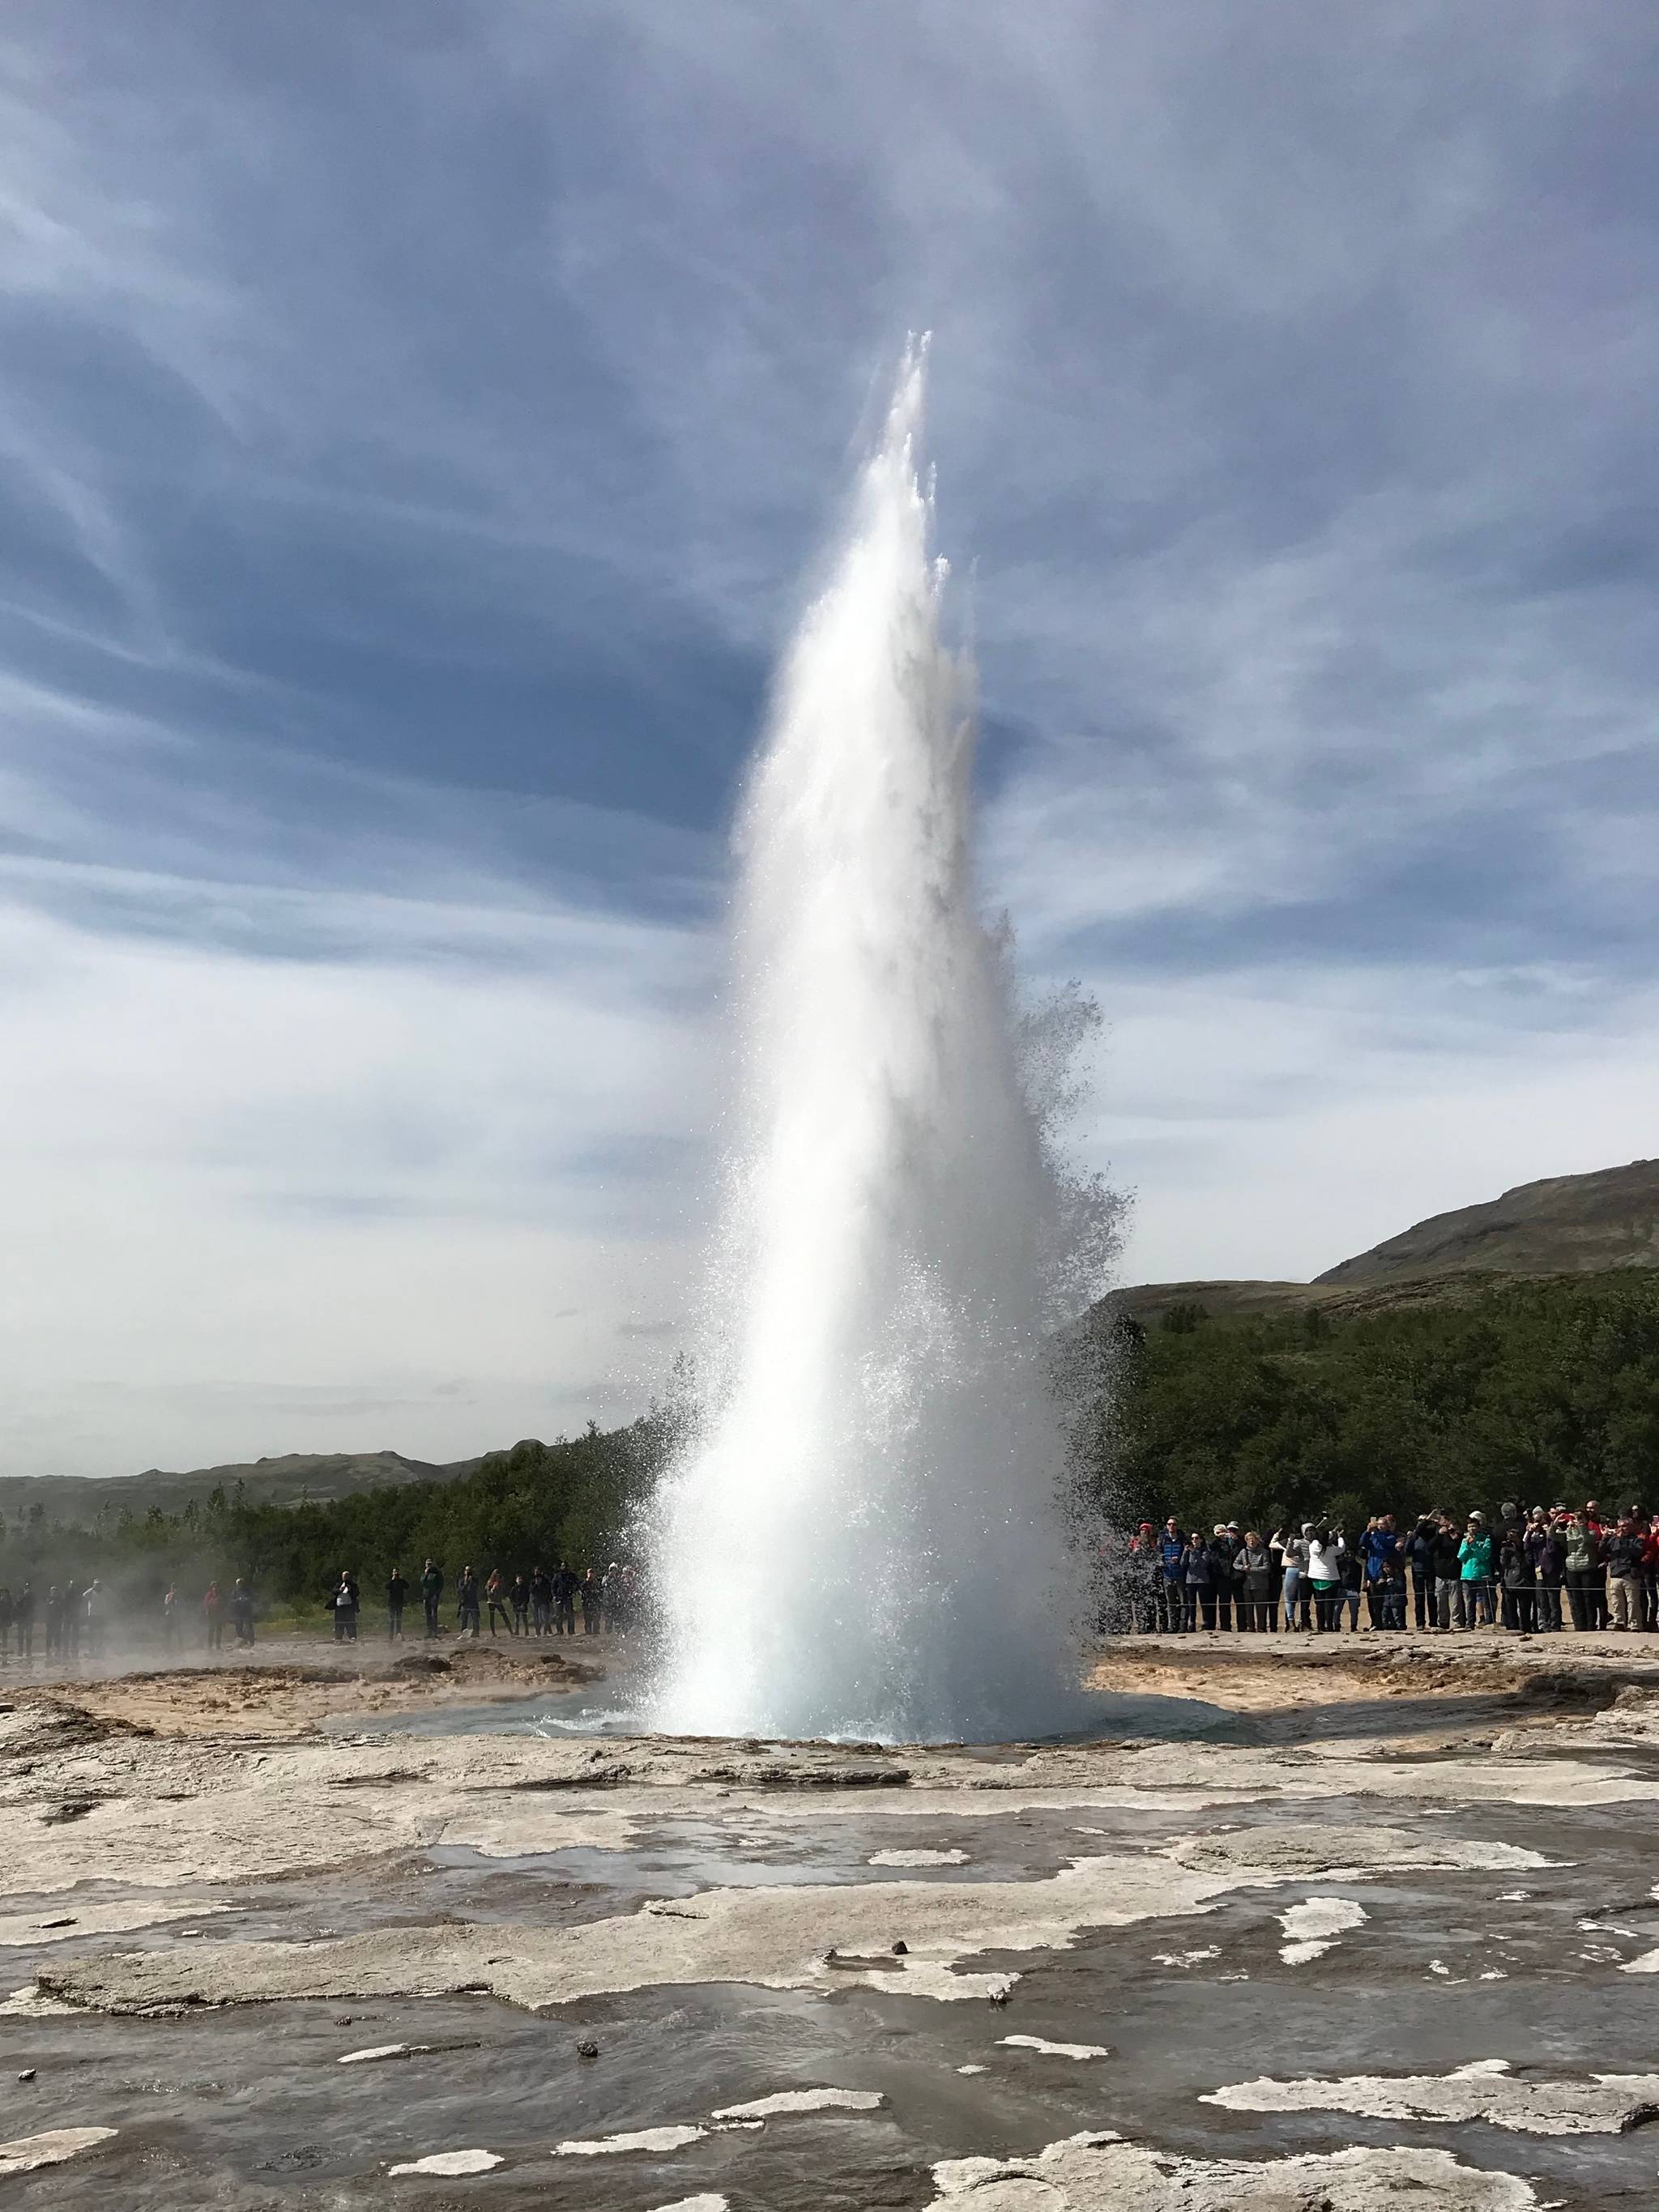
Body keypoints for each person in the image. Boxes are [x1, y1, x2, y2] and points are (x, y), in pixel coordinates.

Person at [1605, 1515, 1646, 1633]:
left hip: (1629, 1574)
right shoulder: (1613, 1540)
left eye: (1625, 1526)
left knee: (1632, 1602)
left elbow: (1637, 1552)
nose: (1622, 1529)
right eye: (1620, 1526)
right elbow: (1603, 1550)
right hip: (1615, 1574)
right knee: (1616, 1602)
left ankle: (1635, 1624)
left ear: (1631, 1527)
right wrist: (1605, 1537)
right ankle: (1619, 1622)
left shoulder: (1636, 1540)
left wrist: (1623, 1540)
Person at [1563, 1512, 1601, 1632]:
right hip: (1572, 1569)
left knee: (1588, 1598)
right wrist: (1556, 1523)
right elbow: (1553, 1535)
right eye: (1575, 1517)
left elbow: (1587, 1538)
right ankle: (1580, 1626)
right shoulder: (1569, 1532)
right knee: (1576, 1599)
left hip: (1587, 1568)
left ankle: (1590, 1626)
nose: (1577, 1520)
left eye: (1580, 1518)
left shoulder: (1592, 1531)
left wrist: (1581, 1525)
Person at [1529, 1513, 1565, 1634]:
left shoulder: (1554, 1535)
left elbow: (1552, 1549)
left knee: (1553, 1600)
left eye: (1544, 1522)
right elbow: (1526, 1546)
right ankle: (1545, 1625)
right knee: (1542, 1601)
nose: (1541, 1525)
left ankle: (1555, 1625)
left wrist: (1548, 1533)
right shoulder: (1536, 1537)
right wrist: (1530, 1532)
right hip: (1539, 1571)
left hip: (1552, 1571)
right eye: (1539, 1522)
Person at [1458, 1515, 1495, 1628]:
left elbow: (1485, 1556)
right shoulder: (1465, 1541)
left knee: (1487, 1599)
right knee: (1470, 1600)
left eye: (1474, 1526)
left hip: (1482, 1573)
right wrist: (1468, 1546)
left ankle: (1489, 1621)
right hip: (1468, 1574)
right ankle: (1470, 1622)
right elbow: (1461, 1556)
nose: (1472, 1528)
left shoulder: (1486, 1540)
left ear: (1478, 1527)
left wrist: (1474, 1545)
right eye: (1469, 1526)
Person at [1234, 1531, 1273, 1632]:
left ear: (1257, 1540)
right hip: (1247, 1584)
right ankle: (1250, 1627)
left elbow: (1266, 1568)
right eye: (1249, 1539)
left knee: (1261, 1608)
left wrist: (1251, 1570)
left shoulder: (1264, 1552)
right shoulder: (1243, 1552)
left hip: (1261, 1585)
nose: (1251, 1541)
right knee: (1248, 1608)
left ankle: (1261, 1627)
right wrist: (1243, 1568)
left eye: (1253, 1539)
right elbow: (1235, 1564)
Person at [1306, 1526, 1343, 1633]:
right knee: (1329, 1604)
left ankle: (1320, 1625)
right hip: (1330, 1578)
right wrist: (1340, 1538)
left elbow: (1320, 1540)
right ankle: (1329, 1625)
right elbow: (1342, 1548)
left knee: (1319, 1603)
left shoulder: (1313, 1546)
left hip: (1316, 1578)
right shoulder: (1332, 1549)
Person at [1499, 1528, 1536, 1633]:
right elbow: (1503, 1564)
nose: (1511, 1540)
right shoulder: (1506, 1548)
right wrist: (1504, 1552)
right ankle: (1512, 1628)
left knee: (1524, 1608)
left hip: (1523, 1581)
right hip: (1509, 1581)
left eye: (1513, 1537)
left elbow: (1527, 1564)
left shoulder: (1526, 1547)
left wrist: (1516, 1552)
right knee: (1510, 1608)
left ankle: (1526, 1628)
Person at [1431, 1517, 1464, 1629]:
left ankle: (1457, 1623)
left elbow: (1462, 1551)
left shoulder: (1459, 1538)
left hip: (1455, 1573)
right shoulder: (1440, 1537)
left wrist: (1456, 1537)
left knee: (1456, 1602)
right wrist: (1439, 1535)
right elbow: (1429, 1548)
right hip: (1441, 1573)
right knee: (1441, 1601)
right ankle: (1443, 1623)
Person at [1406, 1515, 1438, 1630]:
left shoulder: (1432, 1535)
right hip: (1417, 1569)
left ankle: (1434, 1622)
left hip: (1431, 1569)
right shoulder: (1414, 1536)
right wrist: (1409, 1539)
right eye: (1421, 1521)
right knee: (1419, 1598)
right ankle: (1420, 1623)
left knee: (1432, 1597)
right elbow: (1407, 1552)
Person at [1179, 1530, 1213, 1632]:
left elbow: (1204, 1563)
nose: (1194, 1540)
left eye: (1196, 1538)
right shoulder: (1188, 1551)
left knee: (1204, 1603)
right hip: (1190, 1580)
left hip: (1202, 1580)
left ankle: (1205, 1622)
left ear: (1201, 1540)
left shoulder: (1205, 1551)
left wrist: (1194, 1552)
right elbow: (1183, 1564)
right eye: (1192, 1538)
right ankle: (1192, 1623)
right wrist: (1186, 1552)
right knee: (1191, 1603)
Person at [1157, 1519, 1185, 1633]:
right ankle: (1172, 1626)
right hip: (1167, 1574)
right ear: (1166, 1526)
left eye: (1174, 1524)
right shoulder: (1163, 1539)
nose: (1171, 1526)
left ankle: (1183, 1626)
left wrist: (1179, 1560)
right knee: (1171, 1603)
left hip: (1180, 1574)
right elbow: (1158, 1554)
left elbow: (1186, 1554)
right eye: (1169, 1524)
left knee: (1183, 1602)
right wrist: (1161, 1562)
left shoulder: (1183, 1539)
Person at [1282, 1525, 1311, 1632]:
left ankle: (1304, 1623)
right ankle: (1291, 1624)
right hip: (1295, 1570)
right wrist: (1291, 1541)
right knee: (1290, 1599)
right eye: (1308, 1531)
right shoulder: (1299, 1542)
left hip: (1310, 1574)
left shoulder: (1317, 1543)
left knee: (1305, 1601)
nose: (1311, 1533)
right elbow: (1289, 1553)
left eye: (1313, 1530)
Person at [1378, 1549, 1407, 1630]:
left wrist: (1392, 1582)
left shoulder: (1399, 1575)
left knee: (1397, 1617)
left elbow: (1401, 1586)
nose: (1386, 1569)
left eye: (1388, 1567)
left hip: (1397, 1601)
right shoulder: (1383, 1576)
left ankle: (1401, 1629)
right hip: (1386, 1602)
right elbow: (1380, 1589)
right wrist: (1381, 1584)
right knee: (1384, 1617)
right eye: (1384, 1567)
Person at [332, 1571, 359, 1643]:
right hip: (339, 1607)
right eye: (344, 1576)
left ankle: (352, 1636)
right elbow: (334, 1591)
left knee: (350, 1622)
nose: (345, 1577)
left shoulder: (353, 1584)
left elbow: (357, 1593)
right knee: (339, 1622)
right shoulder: (339, 1583)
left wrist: (350, 1590)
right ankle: (338, 1636)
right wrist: (340, 1590)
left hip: (349, 1606)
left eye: (346, 1576)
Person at [485, 1569, 514, 1638]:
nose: (497, 1578)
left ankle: (511, 1632)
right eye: (496, 1576)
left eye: (499, 1576)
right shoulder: (490, 1583)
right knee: (492, 1618)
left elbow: (503, 1591)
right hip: (491, 1602)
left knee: (504, 1615)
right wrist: (493, 1589)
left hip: (498, 1602)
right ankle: (493, 1633)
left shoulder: (501, 1583)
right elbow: (488, 1594)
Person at [554, 1562, 578, 1639]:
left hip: (568, 1597)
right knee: (559, 1615)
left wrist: (574, 1591)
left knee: (570, 1615)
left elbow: (576, 1583)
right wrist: (554, 1595)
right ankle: (559, 1631)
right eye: (562, 1566)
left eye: (565, 1566)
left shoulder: (571, 1576)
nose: (564, 1568)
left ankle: (571, 1631)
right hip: (559, 1597)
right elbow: (553, 1586)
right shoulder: (557, 1576)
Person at [420, 1558, 444, 1638]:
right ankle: (429, 1631)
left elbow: (441, 1583)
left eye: (430, 1564)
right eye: (428, 1564)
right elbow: (422, 1583)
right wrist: (426, 1574)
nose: (429, 1566)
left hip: (434, 1595)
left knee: (434, 1613)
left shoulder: (437, 1573)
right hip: (426, 1595)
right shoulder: (425, 1573)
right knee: (428, 1614)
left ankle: (434, 1632)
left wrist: (437, 1593)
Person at [82, 1579, 105, 1658]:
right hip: (92, 1615)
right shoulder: (91, 1592)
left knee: (100, 1633)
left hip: (100, 1615)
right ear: (94, 1585)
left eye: (99, 1585)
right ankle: (91, 1650)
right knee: (91, 1634)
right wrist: (92, 1588)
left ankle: (99, 1649)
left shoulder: (103, 1593)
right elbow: (84, 1595)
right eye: (96, 1585)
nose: (97, 1586)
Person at [229, 1577, 255, 1647]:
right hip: (238, 1612)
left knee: (249, 1626)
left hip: (247, 1611)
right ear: (237, 1584)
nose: (240, 1584)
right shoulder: (235, 1592)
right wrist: (238, 1600)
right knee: (238, 1627)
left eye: (241, 1583)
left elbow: (252, 1598)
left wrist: (246, 1600)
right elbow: (231, 1601)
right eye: (239, 1583)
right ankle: (241, 1641)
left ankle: (251, 1641)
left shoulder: (247, 1591)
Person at [456, 1565, 480, 1638]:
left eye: (469, 1571)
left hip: (473, 1602)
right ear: (464, 1572)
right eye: (467, 1571)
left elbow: (475, 1589)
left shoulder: (475, 1580)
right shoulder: (461, 1581)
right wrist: (466, 1583)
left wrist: (471, 1582)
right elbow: (460, 1590)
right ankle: (463, 1632)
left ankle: (476, 1632)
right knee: (464, 1619)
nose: (468, 1572)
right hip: (464, 1602)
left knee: (475, 1619)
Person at [386, 1566, 409, 1642]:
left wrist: (402, 1578)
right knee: (391, 1620)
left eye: (397, 1572)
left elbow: (407, 1586)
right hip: (392, 1603)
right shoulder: (391, 1582)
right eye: (394, 1572)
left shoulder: (401, 1581)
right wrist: (392, 1580)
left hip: (399, 1603)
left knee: (399, 1619)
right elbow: (387, 1587)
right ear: (392, 1573)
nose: (396, 1574)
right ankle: (391, 1635)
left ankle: (398, 1633)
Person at [531, 1565, 553, 1637]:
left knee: (545, 1617)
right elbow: (531, 1590)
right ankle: (538, 1632)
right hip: (535, 1601)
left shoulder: (545, 1580)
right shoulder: (533, 1580)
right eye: (536, 1572)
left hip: (544, 1600)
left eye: (538, 1571)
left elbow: (548, 1590)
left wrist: (549, 1598)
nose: (537, 1573)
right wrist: (536, 1585)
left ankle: (546, 1631)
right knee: (536, 1617)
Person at [202, 1579, 224, 1650]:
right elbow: (205, 1604)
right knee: (211, 1630)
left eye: (216, 1586)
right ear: (211, 1587)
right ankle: (210, 1645)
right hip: (211, 1615)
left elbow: (223, 1605)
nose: (215, 1588)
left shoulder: (220, 1595)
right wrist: (207, 1611)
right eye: (213, 1586)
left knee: (219, 1630)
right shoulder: (208, 1595)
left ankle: (218, 1644)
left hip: (218, 1615)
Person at [15, 1581, 34, 1661]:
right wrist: (23, 1597)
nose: (27, 1590)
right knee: (21, 1636)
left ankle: (28, 1650)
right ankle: (20, 1650)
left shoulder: (32, 1597)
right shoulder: (20, 1596)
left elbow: (33, 1606)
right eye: (26, 1588)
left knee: (29, 1636)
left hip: (29, 1619)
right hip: (22, 1619)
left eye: (28, 1588)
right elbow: (17, 1605)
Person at [580, 1568, 602, 1634]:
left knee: (596, 1619)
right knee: (588, 1619)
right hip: (587, 1604)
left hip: (595, 1603)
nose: (591, 1574)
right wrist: (587, 1581)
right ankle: (588, 1632)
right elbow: (581, 1590)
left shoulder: (596, 1583)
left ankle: (596, 1632)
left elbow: (600, 1591)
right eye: (590, 1573)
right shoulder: (584, 1583)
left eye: (592, 1573)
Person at [510, 1571, 531, 1637]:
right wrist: (515, 1604)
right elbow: (511, 1597)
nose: (520, 1580)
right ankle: (516, 1631)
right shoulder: (514, 1588)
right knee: (516, 1620)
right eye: (518, 1579)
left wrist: (524, 1604)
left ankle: (527, 1632)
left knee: (525, 1619)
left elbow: (527, 1597)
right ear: (516, 1580)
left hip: (523, 1605)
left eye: (521, 1579)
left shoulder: (525, 1588)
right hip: (516, 1606)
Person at [161, 1583, 180, 1651]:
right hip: (169, 1615)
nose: (174, 1590)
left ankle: (178, 1647)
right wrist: (171, 1598)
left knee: (178, 1631)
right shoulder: (168, 1596)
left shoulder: (177, 1597)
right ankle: (167, 1647)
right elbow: (166, 1604)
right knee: (168, 1632)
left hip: (175, 1615)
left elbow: (178, 1606)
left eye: (175, 1589)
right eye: (173, 1589)